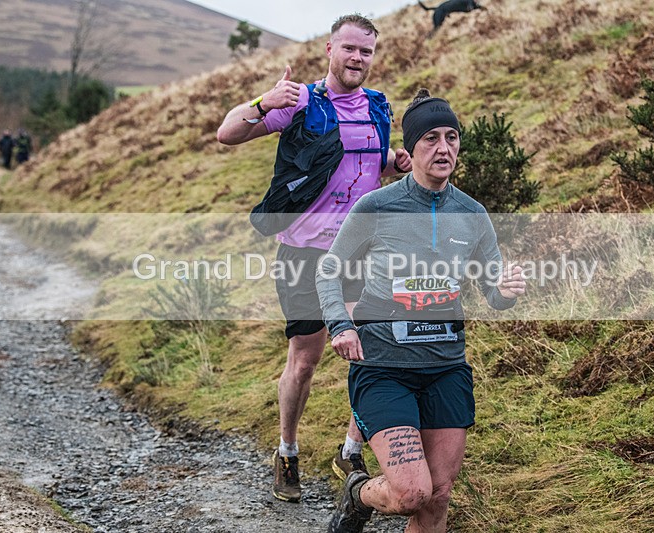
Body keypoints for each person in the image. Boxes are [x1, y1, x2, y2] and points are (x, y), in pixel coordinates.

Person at [216, 14, 411, 503]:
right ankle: (287, 451)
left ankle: (349, 450)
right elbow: (227, 133)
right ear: (329, 49)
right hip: (305, 253)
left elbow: (370, 159)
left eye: (365, 52)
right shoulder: (302, 101)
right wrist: (263, 102)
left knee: (375, 350)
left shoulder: (377, 106)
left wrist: (395, 162)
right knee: (305, 360)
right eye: (349, 49)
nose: (357, 59)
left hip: (361, 253)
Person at [317, 88, 526, 533]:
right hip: (384, 368)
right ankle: (358, 495)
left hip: (445, 368)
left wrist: (505, 290)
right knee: (412, 493)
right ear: (410, 149)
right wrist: (340, 324)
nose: (444, 147)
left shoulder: (472, 213)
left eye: (452, 137)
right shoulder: (377, 206)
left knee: (438, 499)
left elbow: (493, 290)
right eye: (431, 137)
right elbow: (328, 269)